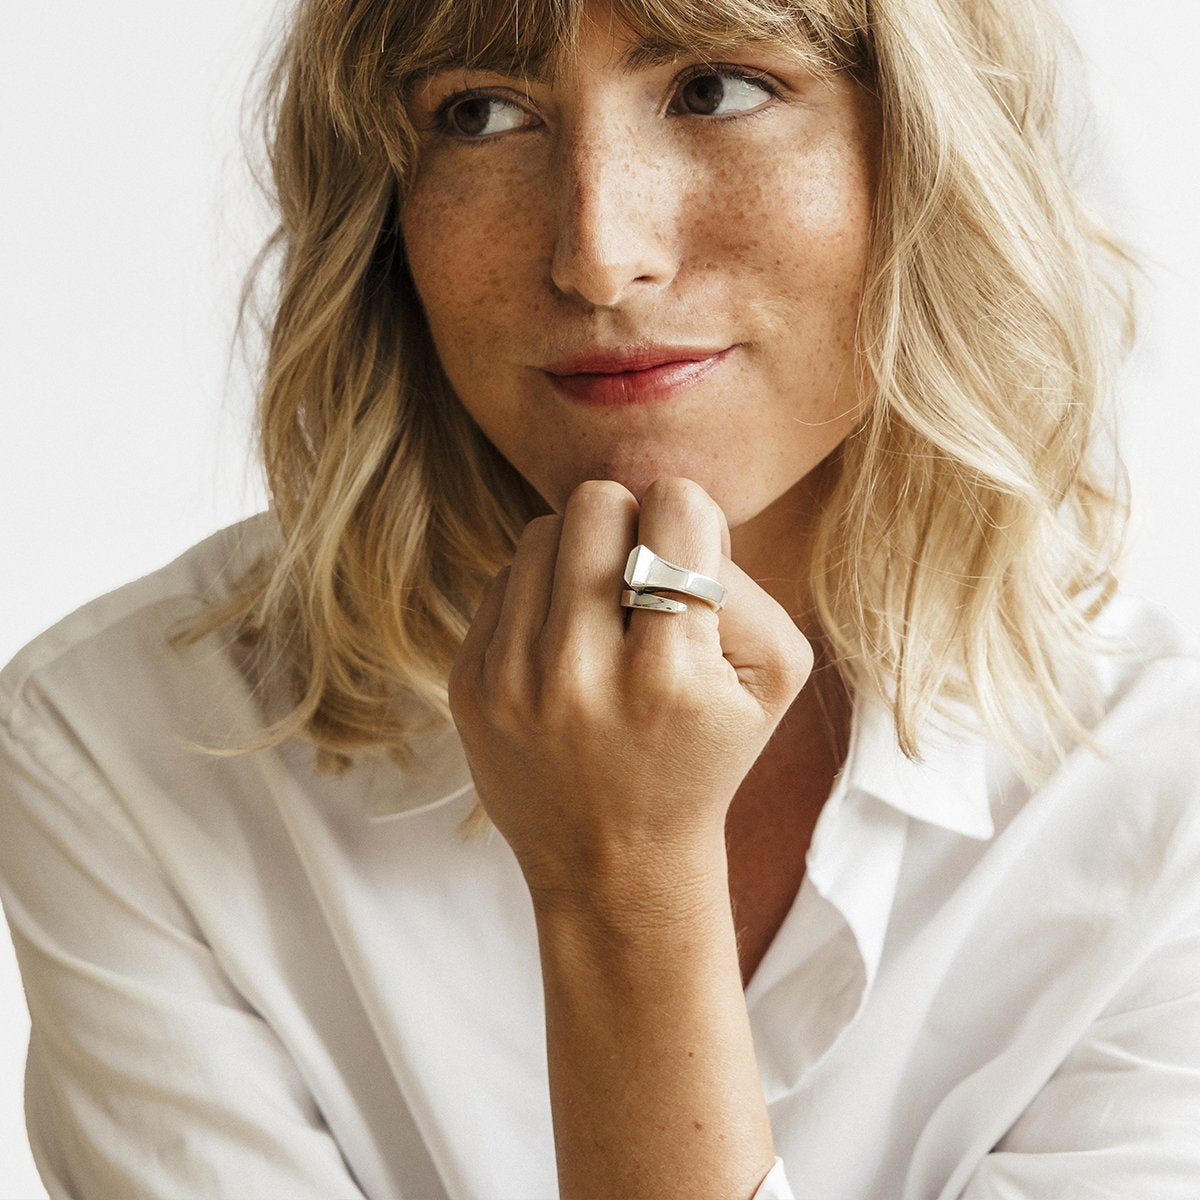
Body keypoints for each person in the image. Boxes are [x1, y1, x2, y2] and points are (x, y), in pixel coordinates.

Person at [2, 0, 1198, 1196]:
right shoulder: (125, 743)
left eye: (717, 89)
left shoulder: (1161, 812)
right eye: (480, 113)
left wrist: (629, 890)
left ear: (933, 148)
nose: (596, 251)